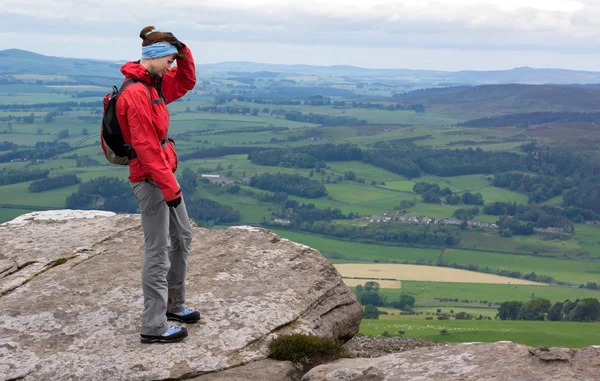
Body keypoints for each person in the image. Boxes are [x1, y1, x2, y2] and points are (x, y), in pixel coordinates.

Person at [116, 26, 199, 344]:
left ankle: (174, 306)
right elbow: (147, 149)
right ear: (157, 57)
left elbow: (187, 81)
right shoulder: (136, 93)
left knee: (182, 235)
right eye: (170, 59)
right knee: (158, 249)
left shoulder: (154, 84)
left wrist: (182, 47)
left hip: (164, 174)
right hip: (150, 179)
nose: (172, 66)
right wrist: (172, 190)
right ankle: (152, 325)